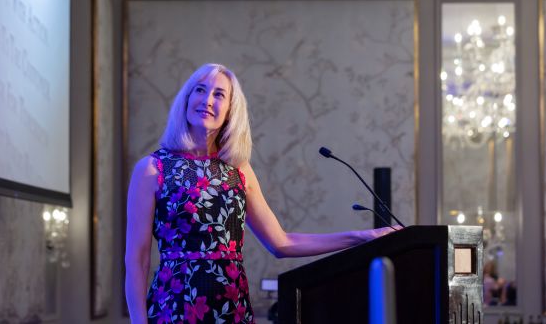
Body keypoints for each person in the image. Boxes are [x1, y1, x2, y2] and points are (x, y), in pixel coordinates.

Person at [125, 63, 396, 324]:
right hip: (174, 307)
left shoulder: (238, 169)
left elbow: (281, 243)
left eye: (219, 94)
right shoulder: (151, 169)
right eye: (200, 90)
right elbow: (137, 259)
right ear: (186, 99)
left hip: (230, 306)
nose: (207, 100)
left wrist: (363, 237)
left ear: (231, 110)